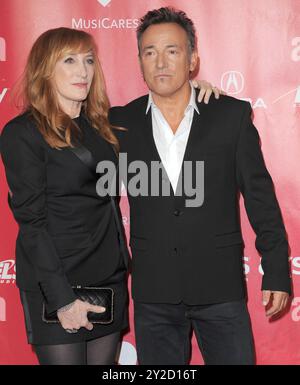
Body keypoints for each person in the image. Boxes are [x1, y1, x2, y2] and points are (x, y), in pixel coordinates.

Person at [0, 27, 218, 365]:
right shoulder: (23, 133)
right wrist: (62, 301)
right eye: (69, 60)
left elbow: (165, 108)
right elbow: (32, 223)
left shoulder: (105, 123)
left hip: (108, 275)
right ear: (45, 68)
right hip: (57, 279)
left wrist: (196, 90)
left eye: (88, 60)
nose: (82, 70)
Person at [109, 7, 291, 365]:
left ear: (193, 59)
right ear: (140, 61)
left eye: (172, 51)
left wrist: (278, 270)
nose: (160, 62)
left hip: (219, 288)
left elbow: (260, 198)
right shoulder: (118, 123)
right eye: (150, 52)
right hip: (154, 291)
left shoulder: (230, 116)